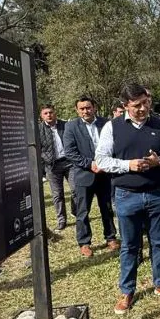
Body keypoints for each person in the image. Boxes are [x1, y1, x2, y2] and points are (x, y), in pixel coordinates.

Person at [94, 83, 160, 314]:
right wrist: (128, 165)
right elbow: (101, 160)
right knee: (130, 245)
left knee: (158, 242)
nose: (143, 109)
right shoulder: (112, 128)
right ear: (125, 106)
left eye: (146, 103)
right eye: (137, 105)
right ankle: (127, 290)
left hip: (156, 192)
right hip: (126, 195)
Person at [62, 96, 118, 257]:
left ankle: (111, 237)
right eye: (82, 109)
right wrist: (90, 164)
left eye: (88, 107)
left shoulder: (106, 123)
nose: (85, 111)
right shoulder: (71, 126)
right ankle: (84, 242)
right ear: (77, 110)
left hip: (105, 174)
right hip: (84, 175)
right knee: (82, 211)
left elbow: (113, 144)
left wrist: (105, 163)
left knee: (106, 208)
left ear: (94, 107)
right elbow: (70, 152)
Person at [36, 104, 70, 232]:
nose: (48, 115)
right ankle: (61, 220)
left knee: (76, 190)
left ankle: (75, 211)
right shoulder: (38, 130)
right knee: (57, 194)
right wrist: (43, 167)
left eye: (50, 112)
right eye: (45, 113)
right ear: (41, 115)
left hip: (69, 163)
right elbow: (38, 150)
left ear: (55, 113)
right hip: (51, 165)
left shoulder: (66, 125)